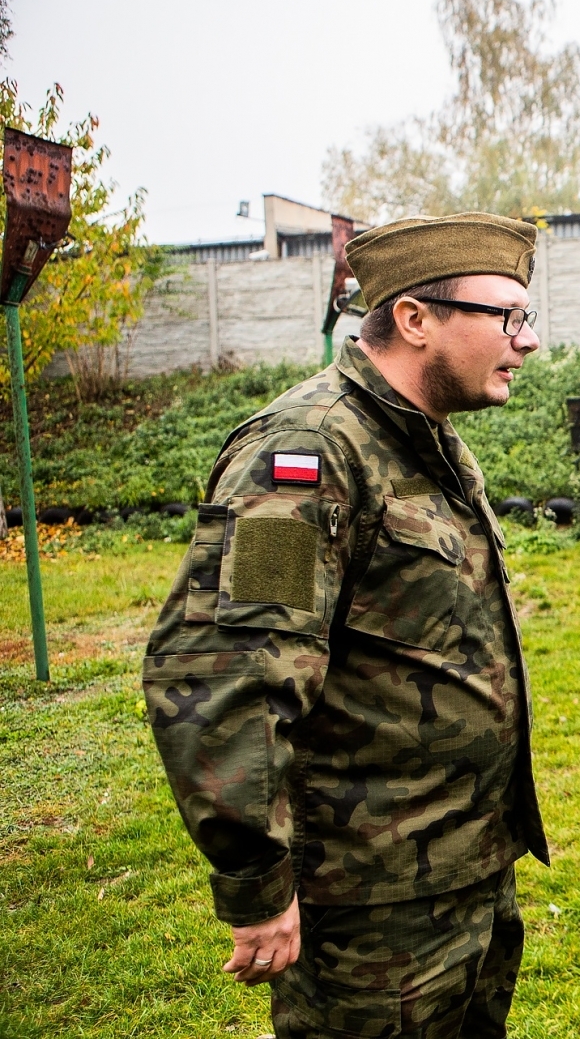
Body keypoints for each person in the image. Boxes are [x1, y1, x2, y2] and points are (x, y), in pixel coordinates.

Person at [144, 212, 548, 1038]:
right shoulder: (307, 454)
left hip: (462, 867)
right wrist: (256, 883)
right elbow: (229, 671)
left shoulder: (428, 442)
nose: (528, 340)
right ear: (414, 319)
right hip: (372, 902)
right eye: (508, 316)